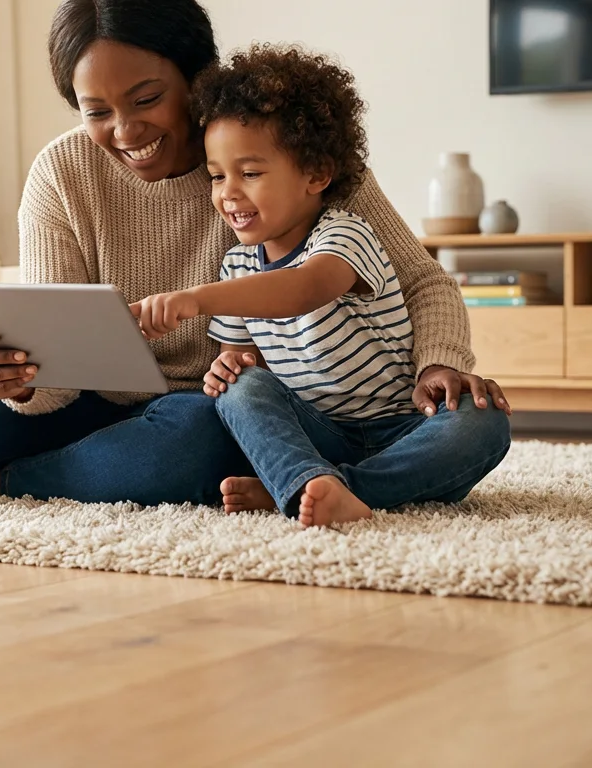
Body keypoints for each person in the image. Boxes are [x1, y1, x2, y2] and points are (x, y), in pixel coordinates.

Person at [0, 0, 512, 507]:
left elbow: (417, 279)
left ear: (197, 80)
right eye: (96, 110)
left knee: (194, 447)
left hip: (202, 407)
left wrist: (439, 359)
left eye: (146, 100)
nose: (124, 133)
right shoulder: (64, 171)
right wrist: (16, 380)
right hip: (85, 395)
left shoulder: (291, 155)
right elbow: (55, 370)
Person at [132, 44, 508, 527]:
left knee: (484, 421)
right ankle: (308, 476)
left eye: (249, 173)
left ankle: (320, 486)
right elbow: (243, 359)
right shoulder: (236, 266)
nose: (228, 192)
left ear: (316, 174)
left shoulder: (344, 234)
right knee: (240, 389)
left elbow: (304, 288)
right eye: (217, 176)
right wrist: (228, 367)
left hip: (404, 425)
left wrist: (194, 299)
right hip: (316, 433)